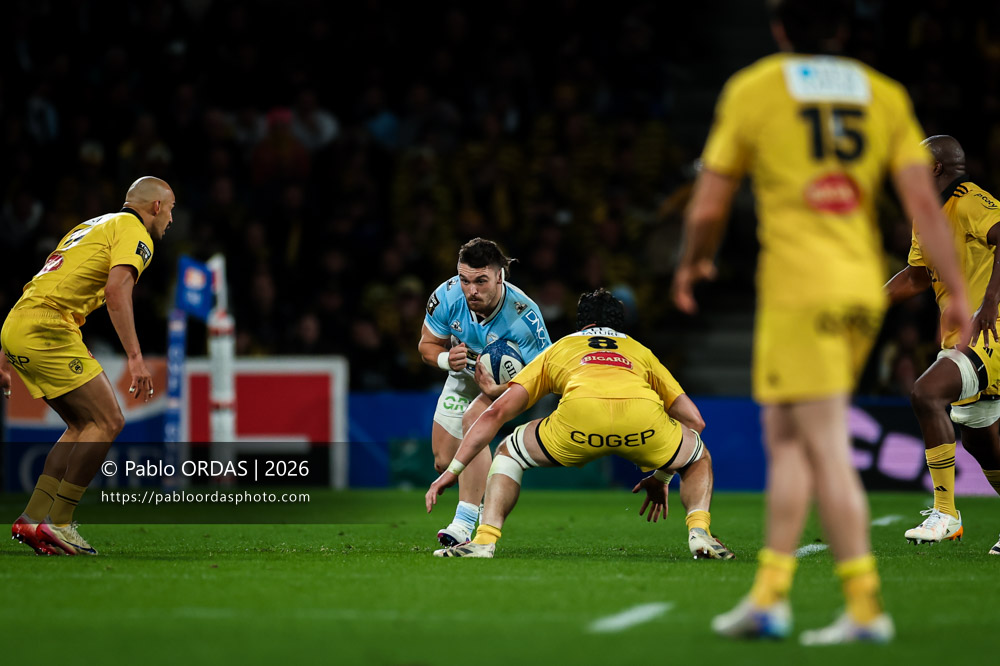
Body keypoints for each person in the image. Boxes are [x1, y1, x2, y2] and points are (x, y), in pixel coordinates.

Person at [671, 0, 972, 645]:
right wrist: (954, 295)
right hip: (858, 288)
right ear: (842, 29)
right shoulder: (884, 95)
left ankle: (864, 606)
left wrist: (693, 263)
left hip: (799, 291)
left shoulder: (755, 88)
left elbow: (711, 200)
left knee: (820, 445)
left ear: (780, 27)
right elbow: (923, 200)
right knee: (789, 442)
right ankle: (770, 598)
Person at [425, 288, 735, 562]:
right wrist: (664, 475)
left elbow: (494, 414)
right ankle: (699, 532)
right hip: (643, 424)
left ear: (581, 323)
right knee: (698, 454)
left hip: (576, 425)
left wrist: (452, 472)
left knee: (508, 452)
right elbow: (695, 420)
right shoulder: (641, 352)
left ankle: (484, 540)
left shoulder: (561, 348)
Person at [1, 176, 175, 556]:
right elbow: (116, 292)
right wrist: (134, 357)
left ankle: (32, 518)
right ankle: (59, 523)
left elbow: (41, 281)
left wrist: (4, 354)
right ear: (156, 207)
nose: (172, 219)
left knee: (82, 425)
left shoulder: (91, 226)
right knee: (109, 421)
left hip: (20, 322)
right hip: (49, 326)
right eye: (171, 209)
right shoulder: (135, 233)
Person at [885, 135, 1000, 555]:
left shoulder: (970, 201)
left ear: (935, 168)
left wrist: (990, 301)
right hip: (962, 335)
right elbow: (917, 276)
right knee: (982, 440)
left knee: (925, 392)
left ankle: (946, 513)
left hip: (990, 330)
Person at [418, 237, 550, 546]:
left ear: (500, 277)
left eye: (481, 281)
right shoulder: (447, 295)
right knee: (444, 461)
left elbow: (546, 377)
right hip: (462, 376)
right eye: (465, 280)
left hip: (506, 385)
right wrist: (444, 359)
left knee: (474, 420)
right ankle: (484, 490)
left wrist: (500, 388)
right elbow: (425, 345)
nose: (471, 290)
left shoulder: (524, 317)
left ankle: (463, 524)